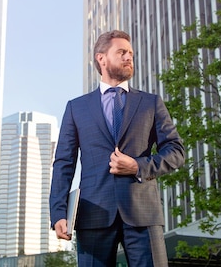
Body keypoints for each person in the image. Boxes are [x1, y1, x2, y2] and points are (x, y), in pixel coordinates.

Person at [49, 30, 185, 267]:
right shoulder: (76, 108)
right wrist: (58, 212)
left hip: (143, 215)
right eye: (121, 52)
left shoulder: (151, 103)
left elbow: (176, 151)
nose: (129, 57)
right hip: (93, 215)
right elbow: (63, 163)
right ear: (101, 58)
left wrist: (138, 166)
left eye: (131, 53)